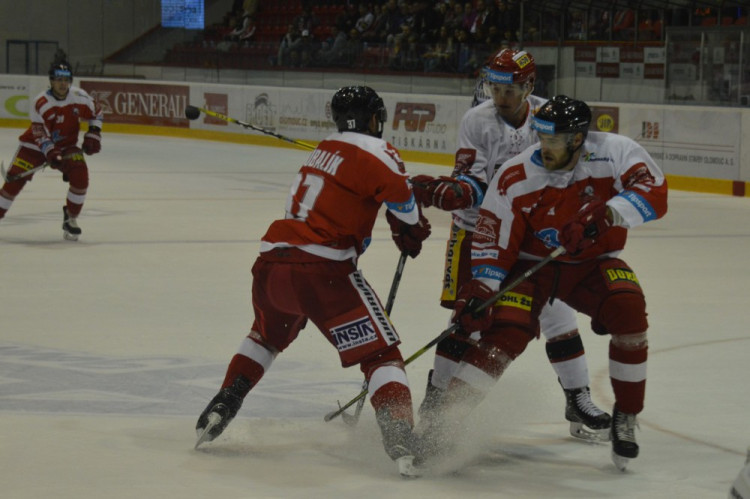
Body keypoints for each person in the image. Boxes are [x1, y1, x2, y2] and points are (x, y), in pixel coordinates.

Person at [417, 95, 668, 471]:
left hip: (590, 264)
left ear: (578, 139)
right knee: (505, 333)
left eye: (553, 141)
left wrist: (607, 216)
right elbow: (492, 240)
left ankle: (626, 416)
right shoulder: (516, 175)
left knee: (629, 313)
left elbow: (656, 193)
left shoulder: (615, 151)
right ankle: (444, 426)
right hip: (529, 268)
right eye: (541, 137)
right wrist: (482, 290)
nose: (544, 148)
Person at [195, 86, 432, 478]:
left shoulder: (322, 150)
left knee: (266, 336)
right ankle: (401, 435)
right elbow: (404, 202)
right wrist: (411, 226)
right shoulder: (379, 150)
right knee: (381, 355)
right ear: (374, 119)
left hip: (272, 265)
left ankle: (224, 402)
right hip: (324, 273)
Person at [410, 49, 611, 444]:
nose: (499, 97)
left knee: (558, 313)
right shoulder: (477, 120)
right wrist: (453, 191)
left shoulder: (547, 116)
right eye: (493, 87)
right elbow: (472, 181)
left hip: (531, 236)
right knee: (467, 319)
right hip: (479, 232)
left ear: (529, 87)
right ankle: (435, 406)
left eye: (509, 89)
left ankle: (577, 397)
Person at [0, 58, 102, 240]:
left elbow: (98, 112)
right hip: (34, 148)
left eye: (66, 79)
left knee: (81, 178)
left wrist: (93, 134)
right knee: (12, 186)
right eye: (58, 79)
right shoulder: (41, 102)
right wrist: (51, 152)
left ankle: (70, 219)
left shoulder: (80, 97)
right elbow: (40, 133)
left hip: (67, 146)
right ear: (51, 81)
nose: (63, 84)